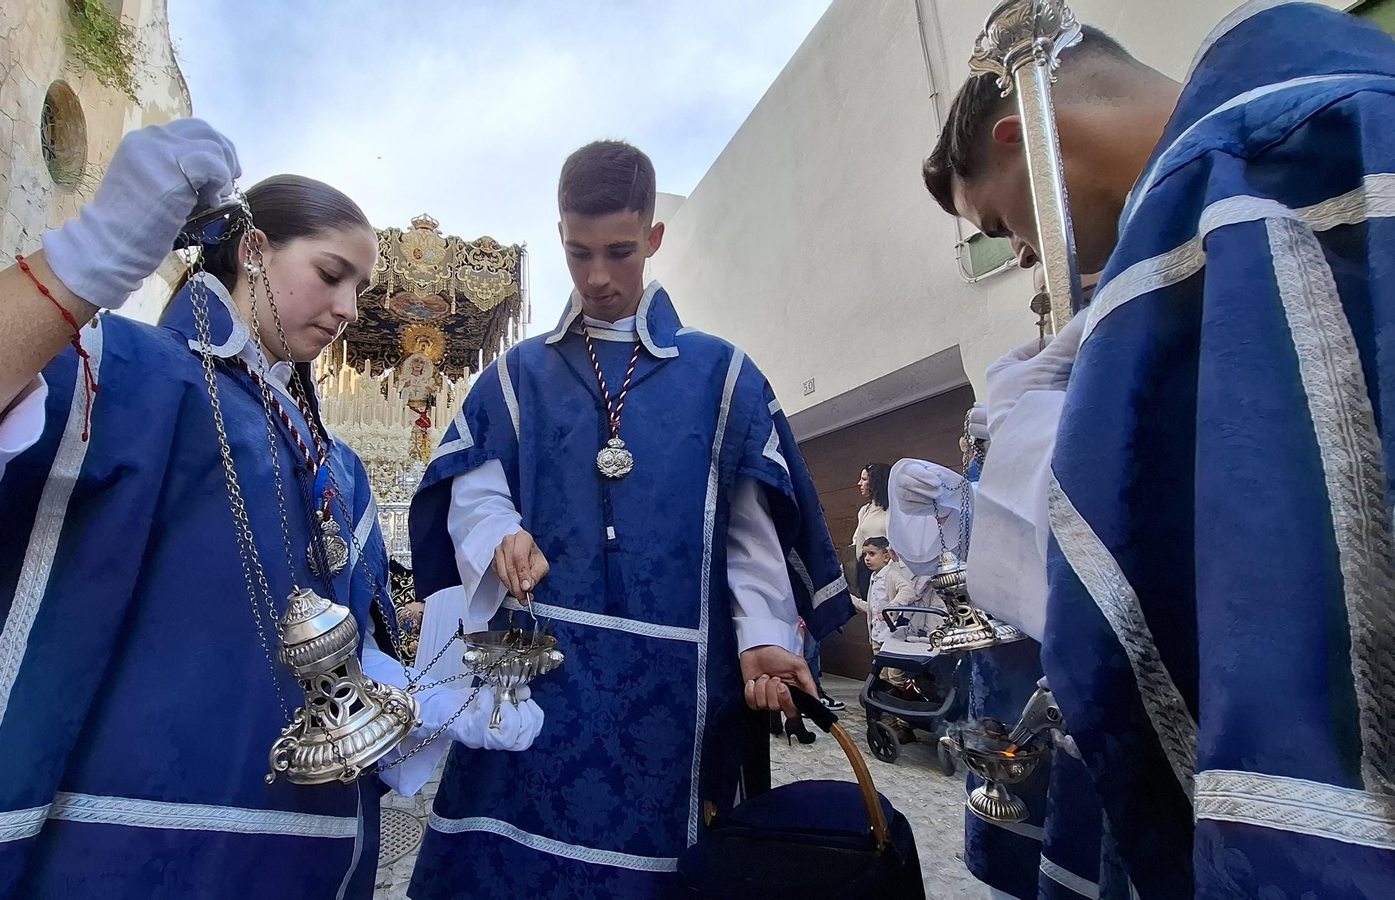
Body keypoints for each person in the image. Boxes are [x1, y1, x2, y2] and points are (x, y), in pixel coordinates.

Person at [0, 121, 507, 900]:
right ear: (254, 250)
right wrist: (79, 268)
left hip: (302, 860)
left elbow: (347, 654)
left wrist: (421, 707)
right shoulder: (127, 375)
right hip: (112, 852)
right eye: (331, 274)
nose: (346, 309)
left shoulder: (336, 466)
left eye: (360, 291)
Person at [914, 4, 1395, 897]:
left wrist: (1026, 445)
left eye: (999, 223)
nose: (1027, 256)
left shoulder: (1283, 157)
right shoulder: (1184, 219)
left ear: (1024, 139)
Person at [404, 139, 851, 900]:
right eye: (578, 253)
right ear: (560, 236)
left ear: (654, 237)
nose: (598, 277)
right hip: (543, 673)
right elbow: (474, 485)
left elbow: (748, 533)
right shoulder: (517, 375)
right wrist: (500, 532)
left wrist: (766, 635)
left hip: (677, 693)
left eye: (619, 252)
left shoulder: (720, 375)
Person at [852, 461, 891, 554]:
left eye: (864, 479)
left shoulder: (895, 510)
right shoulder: (864, 511)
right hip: (867, 561)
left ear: (876, 482)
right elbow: (857, 541)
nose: (859, 483)